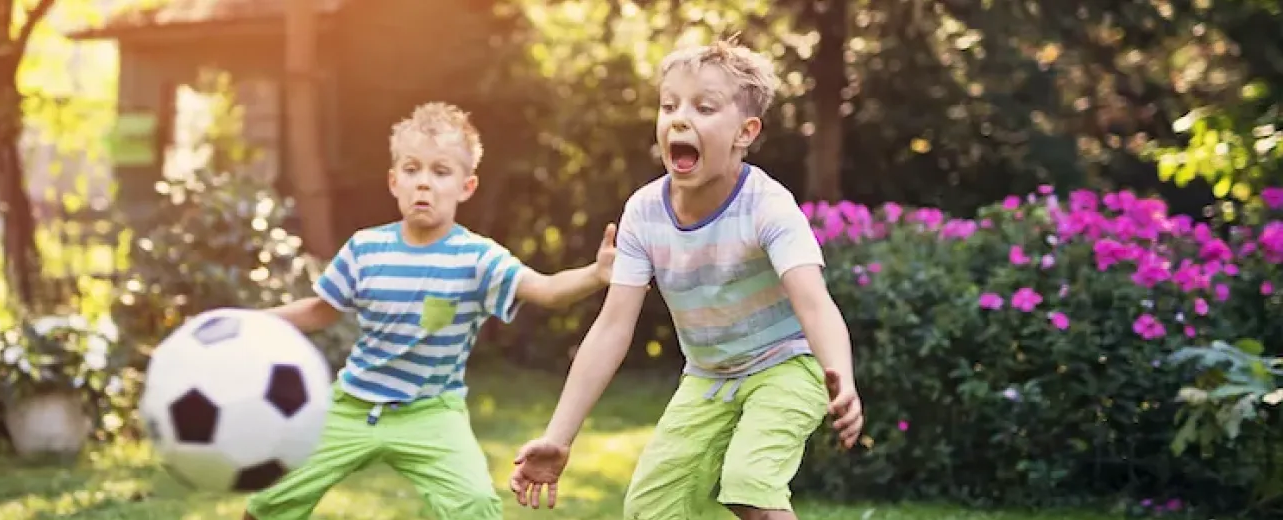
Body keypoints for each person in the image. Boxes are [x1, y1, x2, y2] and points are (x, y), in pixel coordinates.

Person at [505, 39, 865, 520]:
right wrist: (558, 436)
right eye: (669, 105)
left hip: (788, 366)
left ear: (745, 132)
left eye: (704, 107)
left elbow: (814, 303)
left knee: (750, 482)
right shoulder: (644, 214)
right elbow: (612, 329)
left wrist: (839, 374)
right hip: (709, 377)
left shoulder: (767, 206)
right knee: (651, 508)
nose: (679, 118)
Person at [243, 101, 618, 520]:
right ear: (393, 181)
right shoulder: (365, 249)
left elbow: (546, 290)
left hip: (432, 412)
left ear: (465, 187)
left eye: (440, 172)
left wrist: (595, 274)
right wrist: (249, 322)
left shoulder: (477, 258)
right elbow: (320, 310)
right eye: (411, 169)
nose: (424, 183)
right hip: (350, 407)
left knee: (475, 505)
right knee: (271, 500)